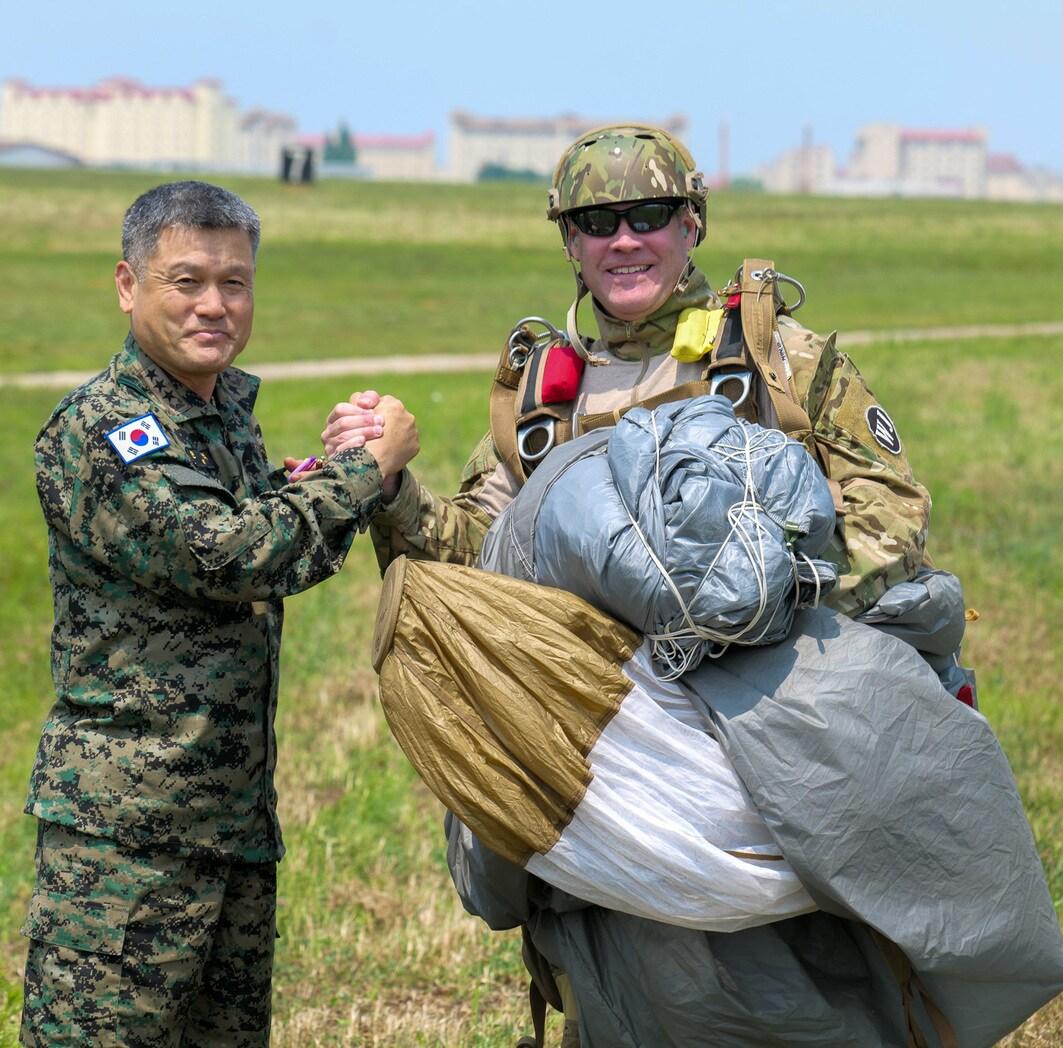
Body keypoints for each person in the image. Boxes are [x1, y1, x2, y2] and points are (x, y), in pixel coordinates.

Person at [322, 126, 945, 1047]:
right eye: (597, 220)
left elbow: (891, 517)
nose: (625, 240)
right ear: (568, 241)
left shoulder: (775, 362)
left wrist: (753, 602)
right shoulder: (544, 400)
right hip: (616, 748)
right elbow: (471, 561)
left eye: (648, 215)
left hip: (763, 731)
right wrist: (385, 486)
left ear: (691, 223)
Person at [20, 180, 417, 1047]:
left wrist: (332, 465)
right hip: (128, 843)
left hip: (229, 824)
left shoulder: (214, 409)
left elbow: (256, 517)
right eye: (186, 281)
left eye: (233, 283)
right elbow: (228, 555)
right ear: (128, 285)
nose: (214, 305)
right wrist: (368, 473)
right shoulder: (109, 428)